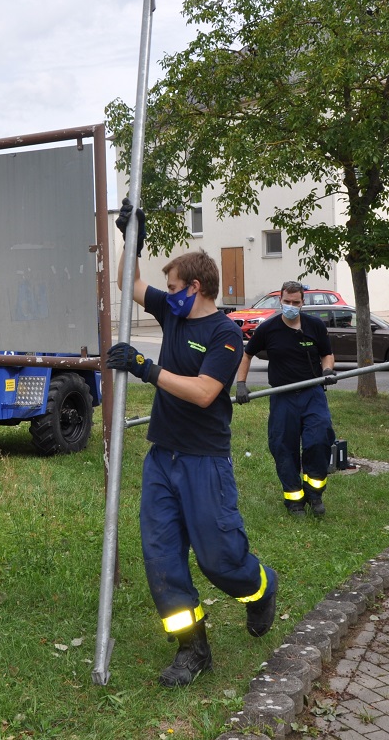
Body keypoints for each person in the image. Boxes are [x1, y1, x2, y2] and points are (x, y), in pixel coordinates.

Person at [105, 198, 278, 688]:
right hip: (162, 456)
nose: (168, 293)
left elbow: (205, 393)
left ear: (195, 288)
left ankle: (261, 587)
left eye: (175, 287)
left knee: (220, 559)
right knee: (161, 558)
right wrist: (130, 238)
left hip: (205, 462)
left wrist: (146, 369)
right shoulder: (173, 315)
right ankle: (192, 648)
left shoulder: (227, 334)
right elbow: (129, 284)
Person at [234, 281, 336, 517]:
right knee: (283, 447)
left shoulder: (315, 326)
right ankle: (294, 500)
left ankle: (314, 493)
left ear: (303, 302)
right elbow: (246, 354)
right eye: (287, 302)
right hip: (282, 396)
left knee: (319, 439)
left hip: (313, 393)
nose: (291, 306)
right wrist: (241, 384)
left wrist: (327, 371)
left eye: (295, 302)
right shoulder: (268, 329)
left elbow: (327, 354)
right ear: (280, 300)